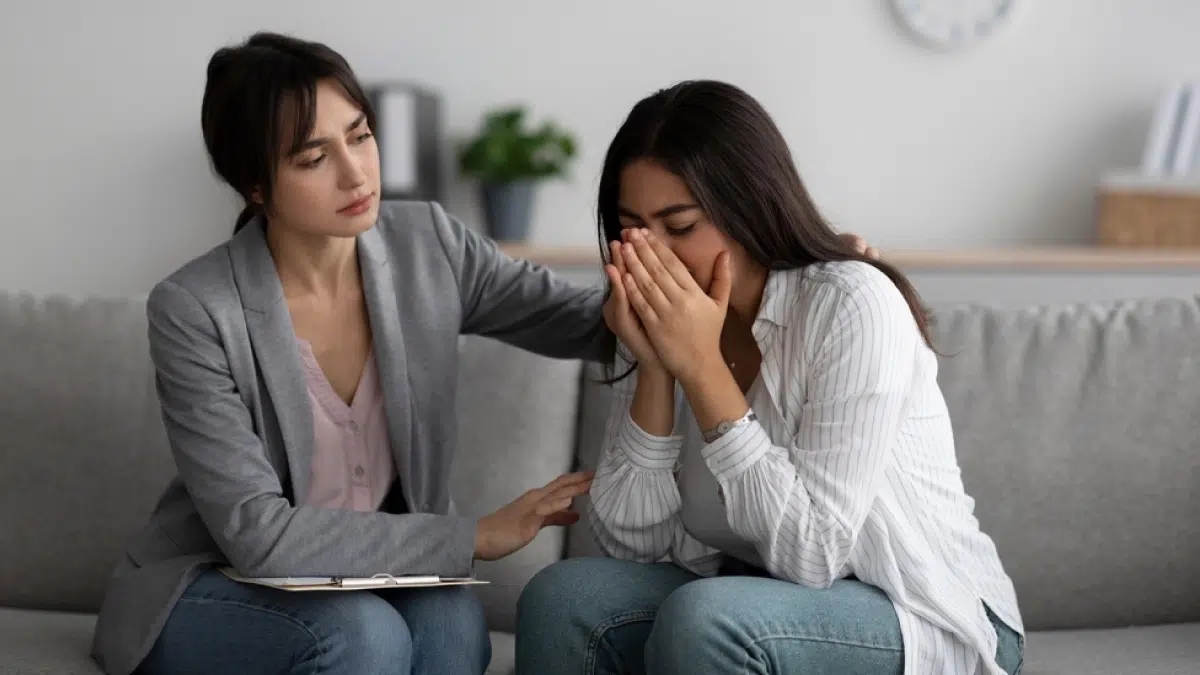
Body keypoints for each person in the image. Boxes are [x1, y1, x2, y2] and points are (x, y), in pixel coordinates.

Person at [88, 32, 602, 675]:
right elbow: (258, 536)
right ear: (254, 184)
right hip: (217, 581)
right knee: (363, 637)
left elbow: (583, 323)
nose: (356, 172)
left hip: (374, 576)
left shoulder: (430, 245)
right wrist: (475, 535)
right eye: (313, 158)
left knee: (450, 632)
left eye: (360, 136)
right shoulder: (195, 309)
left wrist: (690, 278)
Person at [514, 80, 1025, 675]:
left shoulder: (852, 304)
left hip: (919, 611)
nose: (652, 256)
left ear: (748, 209)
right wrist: (655, 366)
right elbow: (635, 545)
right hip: (749, 595)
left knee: (709, 618)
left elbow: (815, 553)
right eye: (633, 227)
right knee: (563, 600)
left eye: (679, 227)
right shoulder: (659, 315)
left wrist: (702, 368)